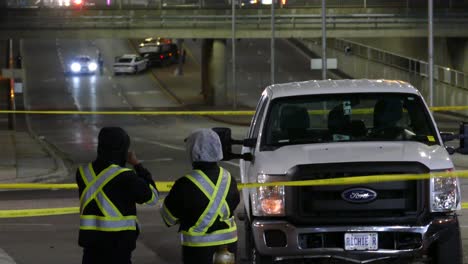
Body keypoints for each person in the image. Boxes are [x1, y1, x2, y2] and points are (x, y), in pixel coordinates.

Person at [76, 126, 159, 264]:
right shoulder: (126, 177)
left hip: (90, 247)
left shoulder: (82, 173)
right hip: (118, 248)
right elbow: (152, 197)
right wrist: (137, 165)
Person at [161, 129, 240, 264]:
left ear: (194, 151)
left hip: (198, 250)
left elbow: (168, 217)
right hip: (229, 245)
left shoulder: (185, 184)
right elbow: (234, 202)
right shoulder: (229, 178)